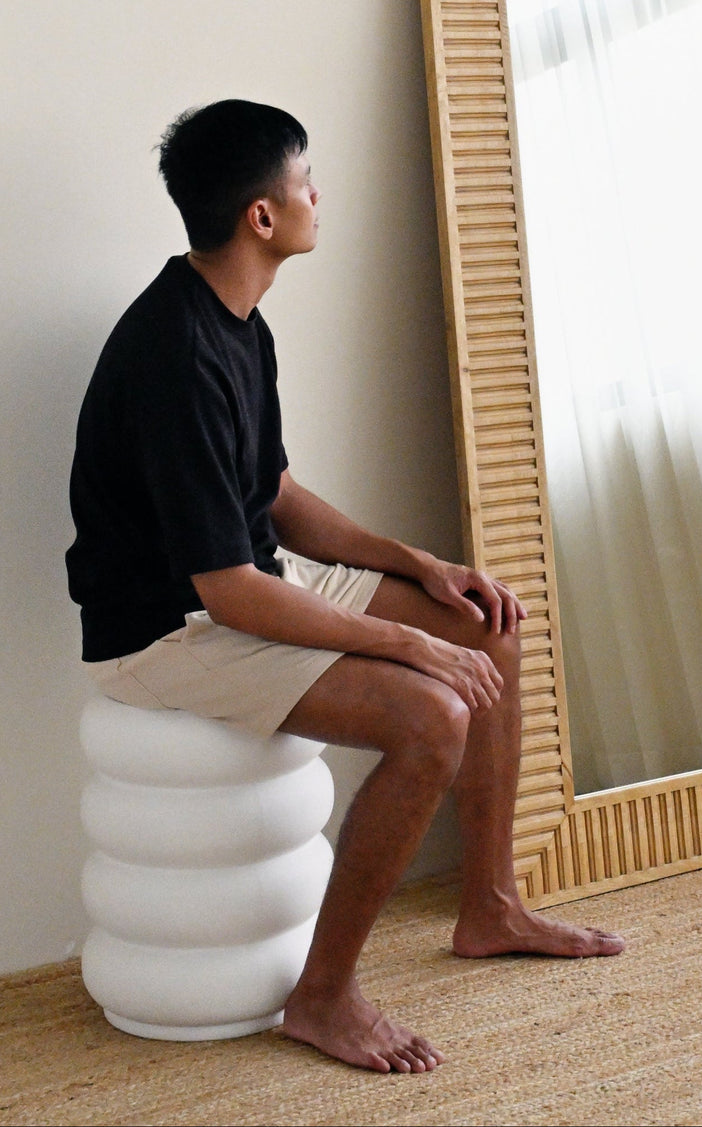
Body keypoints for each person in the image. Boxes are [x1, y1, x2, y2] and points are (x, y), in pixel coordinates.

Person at [66, 99, 624, 1074]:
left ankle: (487, 905)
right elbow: (230, 594)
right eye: (303, 177)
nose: (318, 191)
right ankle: (322, 998)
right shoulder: (175, 355)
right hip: (167, 630)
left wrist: (419, 569)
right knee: (431, 715)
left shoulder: (236, 321)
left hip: (241, 583)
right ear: (262, 218)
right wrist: (409, 645)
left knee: (483, 623)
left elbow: (273, 495)